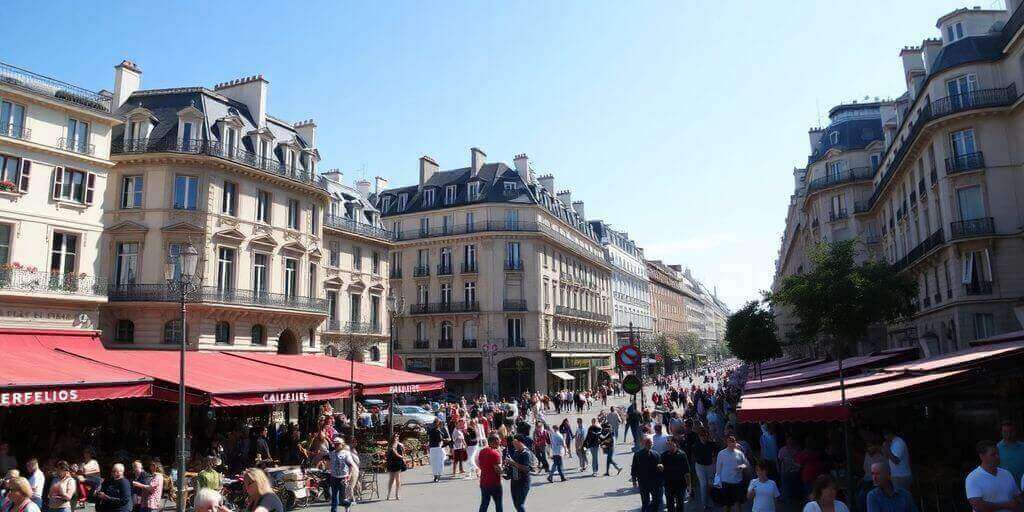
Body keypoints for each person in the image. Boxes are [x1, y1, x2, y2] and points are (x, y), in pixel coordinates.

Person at [965, 440, 1019, 512]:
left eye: (998, 453)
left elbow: (1017, 496)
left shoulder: (1007, 474)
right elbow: (978, 506)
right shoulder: (973, 478)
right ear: (982, 456)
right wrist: (1006, 505)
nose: (997, 457)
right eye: (993, 454)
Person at [715, 435, 750, 512]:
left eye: (733, 441)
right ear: (727, 443)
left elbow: (746, 464)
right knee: (727, 505)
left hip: (737, 481)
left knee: (738, 504)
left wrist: (741, 466)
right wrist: (717, 481)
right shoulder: (721, 453)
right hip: (726, 482)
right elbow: (718, 469)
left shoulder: (739, 453)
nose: (732, 443)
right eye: (730, 441)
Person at [631, 436, 664, 512]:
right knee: (645, 501)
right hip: (643, 481)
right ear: (644, 444)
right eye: (648, 443)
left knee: (656, 501)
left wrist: (661, 469)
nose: (649, 445)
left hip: (654, 482)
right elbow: (634, 468)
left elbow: (661, 467)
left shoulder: (656, 454)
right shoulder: (638, 455)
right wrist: (634, 480)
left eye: (650, 443)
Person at [505, 436, 535, 512]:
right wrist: (508, 471)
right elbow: (513, 466)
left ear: (520, 443)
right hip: (514, 481)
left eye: (516, 444)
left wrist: (513, 463)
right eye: (513, 444)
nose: (514, 446)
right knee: (516, 504)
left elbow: (526, 468)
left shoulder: (526, 454)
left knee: (519, 504)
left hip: (523, 482)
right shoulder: (516, 452)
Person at [661, 437, 691, 512]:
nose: (669, 445)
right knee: (670, 505)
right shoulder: (664, 455)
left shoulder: (682, 455)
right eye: (668, 444)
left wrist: (689, 485)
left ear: (675, 444)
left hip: (680, 484)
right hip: (668, 484)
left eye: (670, 443)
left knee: (680, 504)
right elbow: (660, 469)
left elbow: (687, 471)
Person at [693, 427, 719, 510]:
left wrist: (714, 459)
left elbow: (716, 454)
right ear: (699, 436)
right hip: (700, 466)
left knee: (711, 484)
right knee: (704, 484)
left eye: (705, 435)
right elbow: (694, 458)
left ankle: (712, 501)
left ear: (707, 436)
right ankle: (704, 503)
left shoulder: (712, 444)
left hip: (710, 465)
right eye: (701, 435)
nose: (703, 437)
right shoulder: (695, 445)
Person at [326, 438, 355, 512]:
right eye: (335, 444)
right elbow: (327, 461)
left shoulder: (345, 453)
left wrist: (349, 476)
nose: (336, 445)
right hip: (334, 477)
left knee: (342, 499)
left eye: (338, 444)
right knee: (334, 497)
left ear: (342, 445)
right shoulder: (332, 453)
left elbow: (351, 465)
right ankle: (333, 510)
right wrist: (327, 467)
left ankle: (348, 504)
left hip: (343, 478)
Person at [477, 434, 504, 512]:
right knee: (498, 504)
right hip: (494, 483)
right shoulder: (495, 454)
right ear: (494, 441)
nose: (500, 441)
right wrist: (505, 471)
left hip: (484, 482)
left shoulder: (482, 451)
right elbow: (498, 469)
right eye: (498, 440)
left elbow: (479, 463)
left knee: (484, 504)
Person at [997, 420, 1024, 485]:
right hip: (1006, 487)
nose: (1008, 434)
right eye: (1005, 432)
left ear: (1015, 431)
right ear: (1001, 432)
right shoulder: (996, 448)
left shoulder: (1023, 447)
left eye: (1011, 431)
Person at [385, 434, 407, 500]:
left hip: (398, 462)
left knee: (398, 479)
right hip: (392, 462)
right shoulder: (391, 445)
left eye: (397, 436)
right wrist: (401, 456)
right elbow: (393, 452)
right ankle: (388, 494)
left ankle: (397, 495)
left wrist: (402, 457)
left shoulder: (400, 444)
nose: (396, 437)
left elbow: (403, 452)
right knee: (391, 479)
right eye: (395, 436)